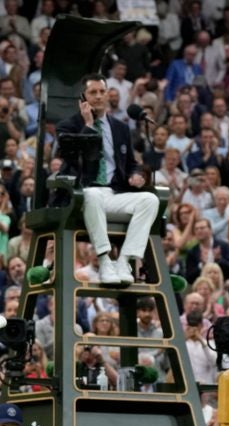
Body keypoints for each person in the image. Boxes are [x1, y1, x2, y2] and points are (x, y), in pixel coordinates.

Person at [56, 73, 160, 285]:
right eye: (93, 92)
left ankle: (124, 260)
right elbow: (70, 158)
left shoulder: (120, 128)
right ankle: (104, 259)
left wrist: (136, 175)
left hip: (113, 193)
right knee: (93, 194)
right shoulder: (68, 126)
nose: (98, 96)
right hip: (82, 194)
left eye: (102, 91)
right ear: (82, 98)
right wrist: (88, 125)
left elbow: (131, 163)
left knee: (151, 200)